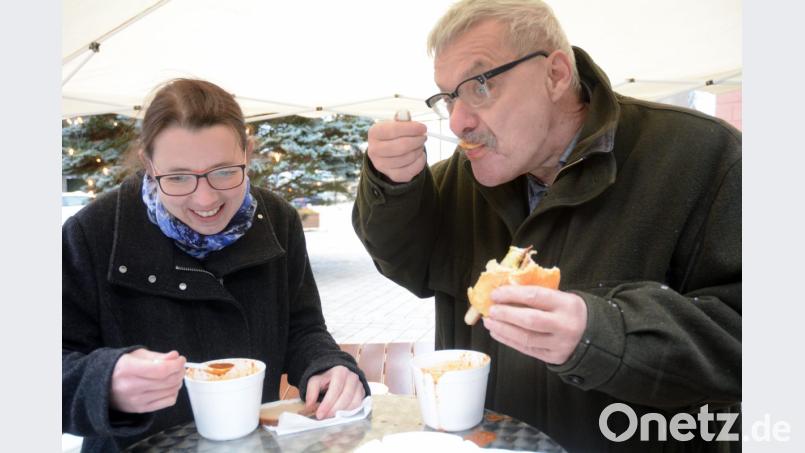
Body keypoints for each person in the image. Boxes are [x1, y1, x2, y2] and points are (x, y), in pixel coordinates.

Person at [353, 0, 740, 451]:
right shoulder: (459, 176)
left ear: (555, 74)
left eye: (480, 86)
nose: (459, 121)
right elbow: (407, 263)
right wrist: (391, 185)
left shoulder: (704, 157)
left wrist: (604, 331)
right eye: (449, 97)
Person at [63, 79, 368, 452]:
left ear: (248, 153)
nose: (205, 199)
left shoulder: (278, 220)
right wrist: (104, 381)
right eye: (177, 178)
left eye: (224, 171)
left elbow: (303, 327)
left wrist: (327, 364)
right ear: (148, 163)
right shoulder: (91, 234)